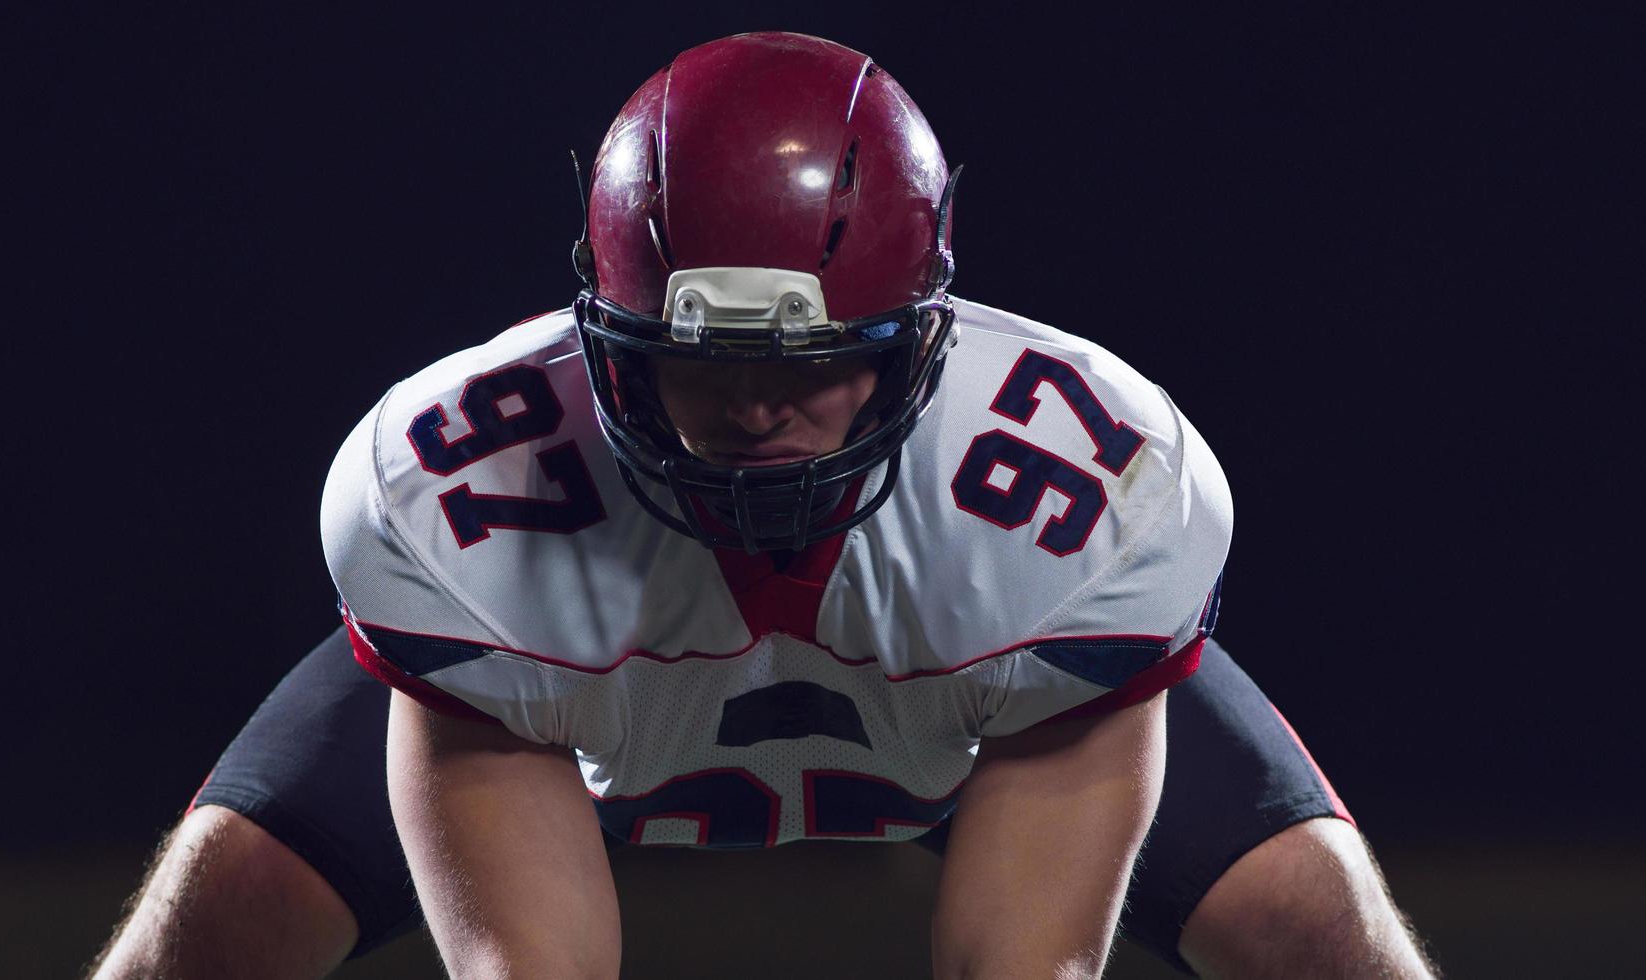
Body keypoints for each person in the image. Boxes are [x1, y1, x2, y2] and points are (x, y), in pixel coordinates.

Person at [91, 32, 1437, 979]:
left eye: (813, 366)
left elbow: (1019, 969)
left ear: (918, 339)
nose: (753, 416)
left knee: (1331, 949)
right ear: (611, 339)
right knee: (205, 937)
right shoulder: (465, 513)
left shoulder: (1072, 516)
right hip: (564, 686)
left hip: (985, 688)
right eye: (703, 363)